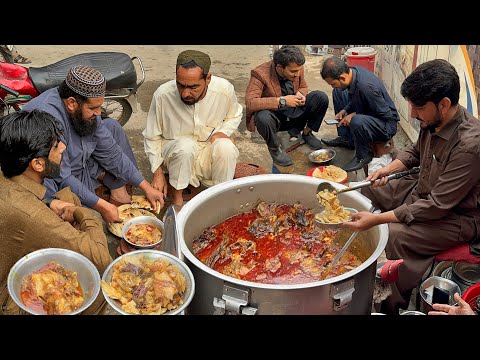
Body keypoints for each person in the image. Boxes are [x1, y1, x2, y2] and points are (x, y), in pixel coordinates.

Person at [344, 59, 480, 315]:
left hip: (456, 216)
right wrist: (389, 167)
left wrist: (375, 220)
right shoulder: (433, 120)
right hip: (424, 190)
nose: (413, 115)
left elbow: (437, 206)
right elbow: (416, 151)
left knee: (393, 235)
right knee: (369, 187)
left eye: (418, 108)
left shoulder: (470, 145)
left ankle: (389, 305)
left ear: (444, 104)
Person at [0, 109, 112, 315]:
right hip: (5, 296)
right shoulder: (31, 214)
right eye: (54, 146)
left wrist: (49, 202)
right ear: (38, 164)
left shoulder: (6, 172)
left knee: (65, 199)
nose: (63, 147)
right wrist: (83, 213)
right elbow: (101, 258)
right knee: (101, 285)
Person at [22, 65, 164, 223]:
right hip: (54, 178)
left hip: (80, 168)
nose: (99, 113)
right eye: (93, 108)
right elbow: (63, 177)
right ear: (71, 103)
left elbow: (111, 151)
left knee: (112, 127)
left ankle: (117, 189)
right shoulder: (47, 119)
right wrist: (102, 206)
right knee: (75, 213)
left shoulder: (84, 110)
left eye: (100, 106)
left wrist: (146, 186)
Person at [143, 50, 242, 207]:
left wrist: (223, 132)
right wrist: (157, 172)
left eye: (193, 87)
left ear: (208, 78)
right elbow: (151, 136)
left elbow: (235, 115)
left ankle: (220, 199)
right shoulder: (163, 95)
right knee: (185, 146)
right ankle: (177, 200)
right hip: (176, 153)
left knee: (226, 147)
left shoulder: (224, 90)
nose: (185, 93)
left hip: (206, 149)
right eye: (180, 85)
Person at [245, 45, 329, 167]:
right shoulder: (260, 73)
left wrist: (301, 94)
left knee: (320, 97)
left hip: (295, 114)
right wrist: (282, 101)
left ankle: (307, 132)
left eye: (299, 70)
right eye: (293, 72)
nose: (297, 74)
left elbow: (303, 86)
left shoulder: (297, 67)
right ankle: (275, 149)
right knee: (262, 116)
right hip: (276, 118)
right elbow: (250, 102)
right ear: (280, 67)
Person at [320, 56, 399, 172]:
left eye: (333, 83)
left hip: (386, 125)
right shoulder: (353, 72)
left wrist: (354, 115)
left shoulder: (366, 87)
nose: (332, 86)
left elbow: (386, 115)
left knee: (357, 120)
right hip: (373, 113)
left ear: (342, 77)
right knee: (338, 91)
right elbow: (355, 98)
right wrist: (346, 110)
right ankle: (347, 138)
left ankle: (363, 156)